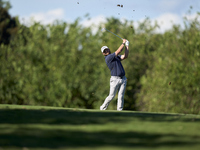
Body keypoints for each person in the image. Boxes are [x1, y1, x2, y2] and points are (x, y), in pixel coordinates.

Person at [100, 39, 129, 111]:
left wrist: (127, 46)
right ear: (103, 53)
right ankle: (102, 108)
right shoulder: (108, 58)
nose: (106, 51)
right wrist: (123, 43)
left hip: (123, 79)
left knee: (121, 96)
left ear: (108, 49)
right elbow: (119, 51)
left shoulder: (116, 57)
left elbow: (125, 56)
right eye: (104, 51)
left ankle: (120, 110)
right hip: (115, 79)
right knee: (111, 96)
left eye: (106, 49)